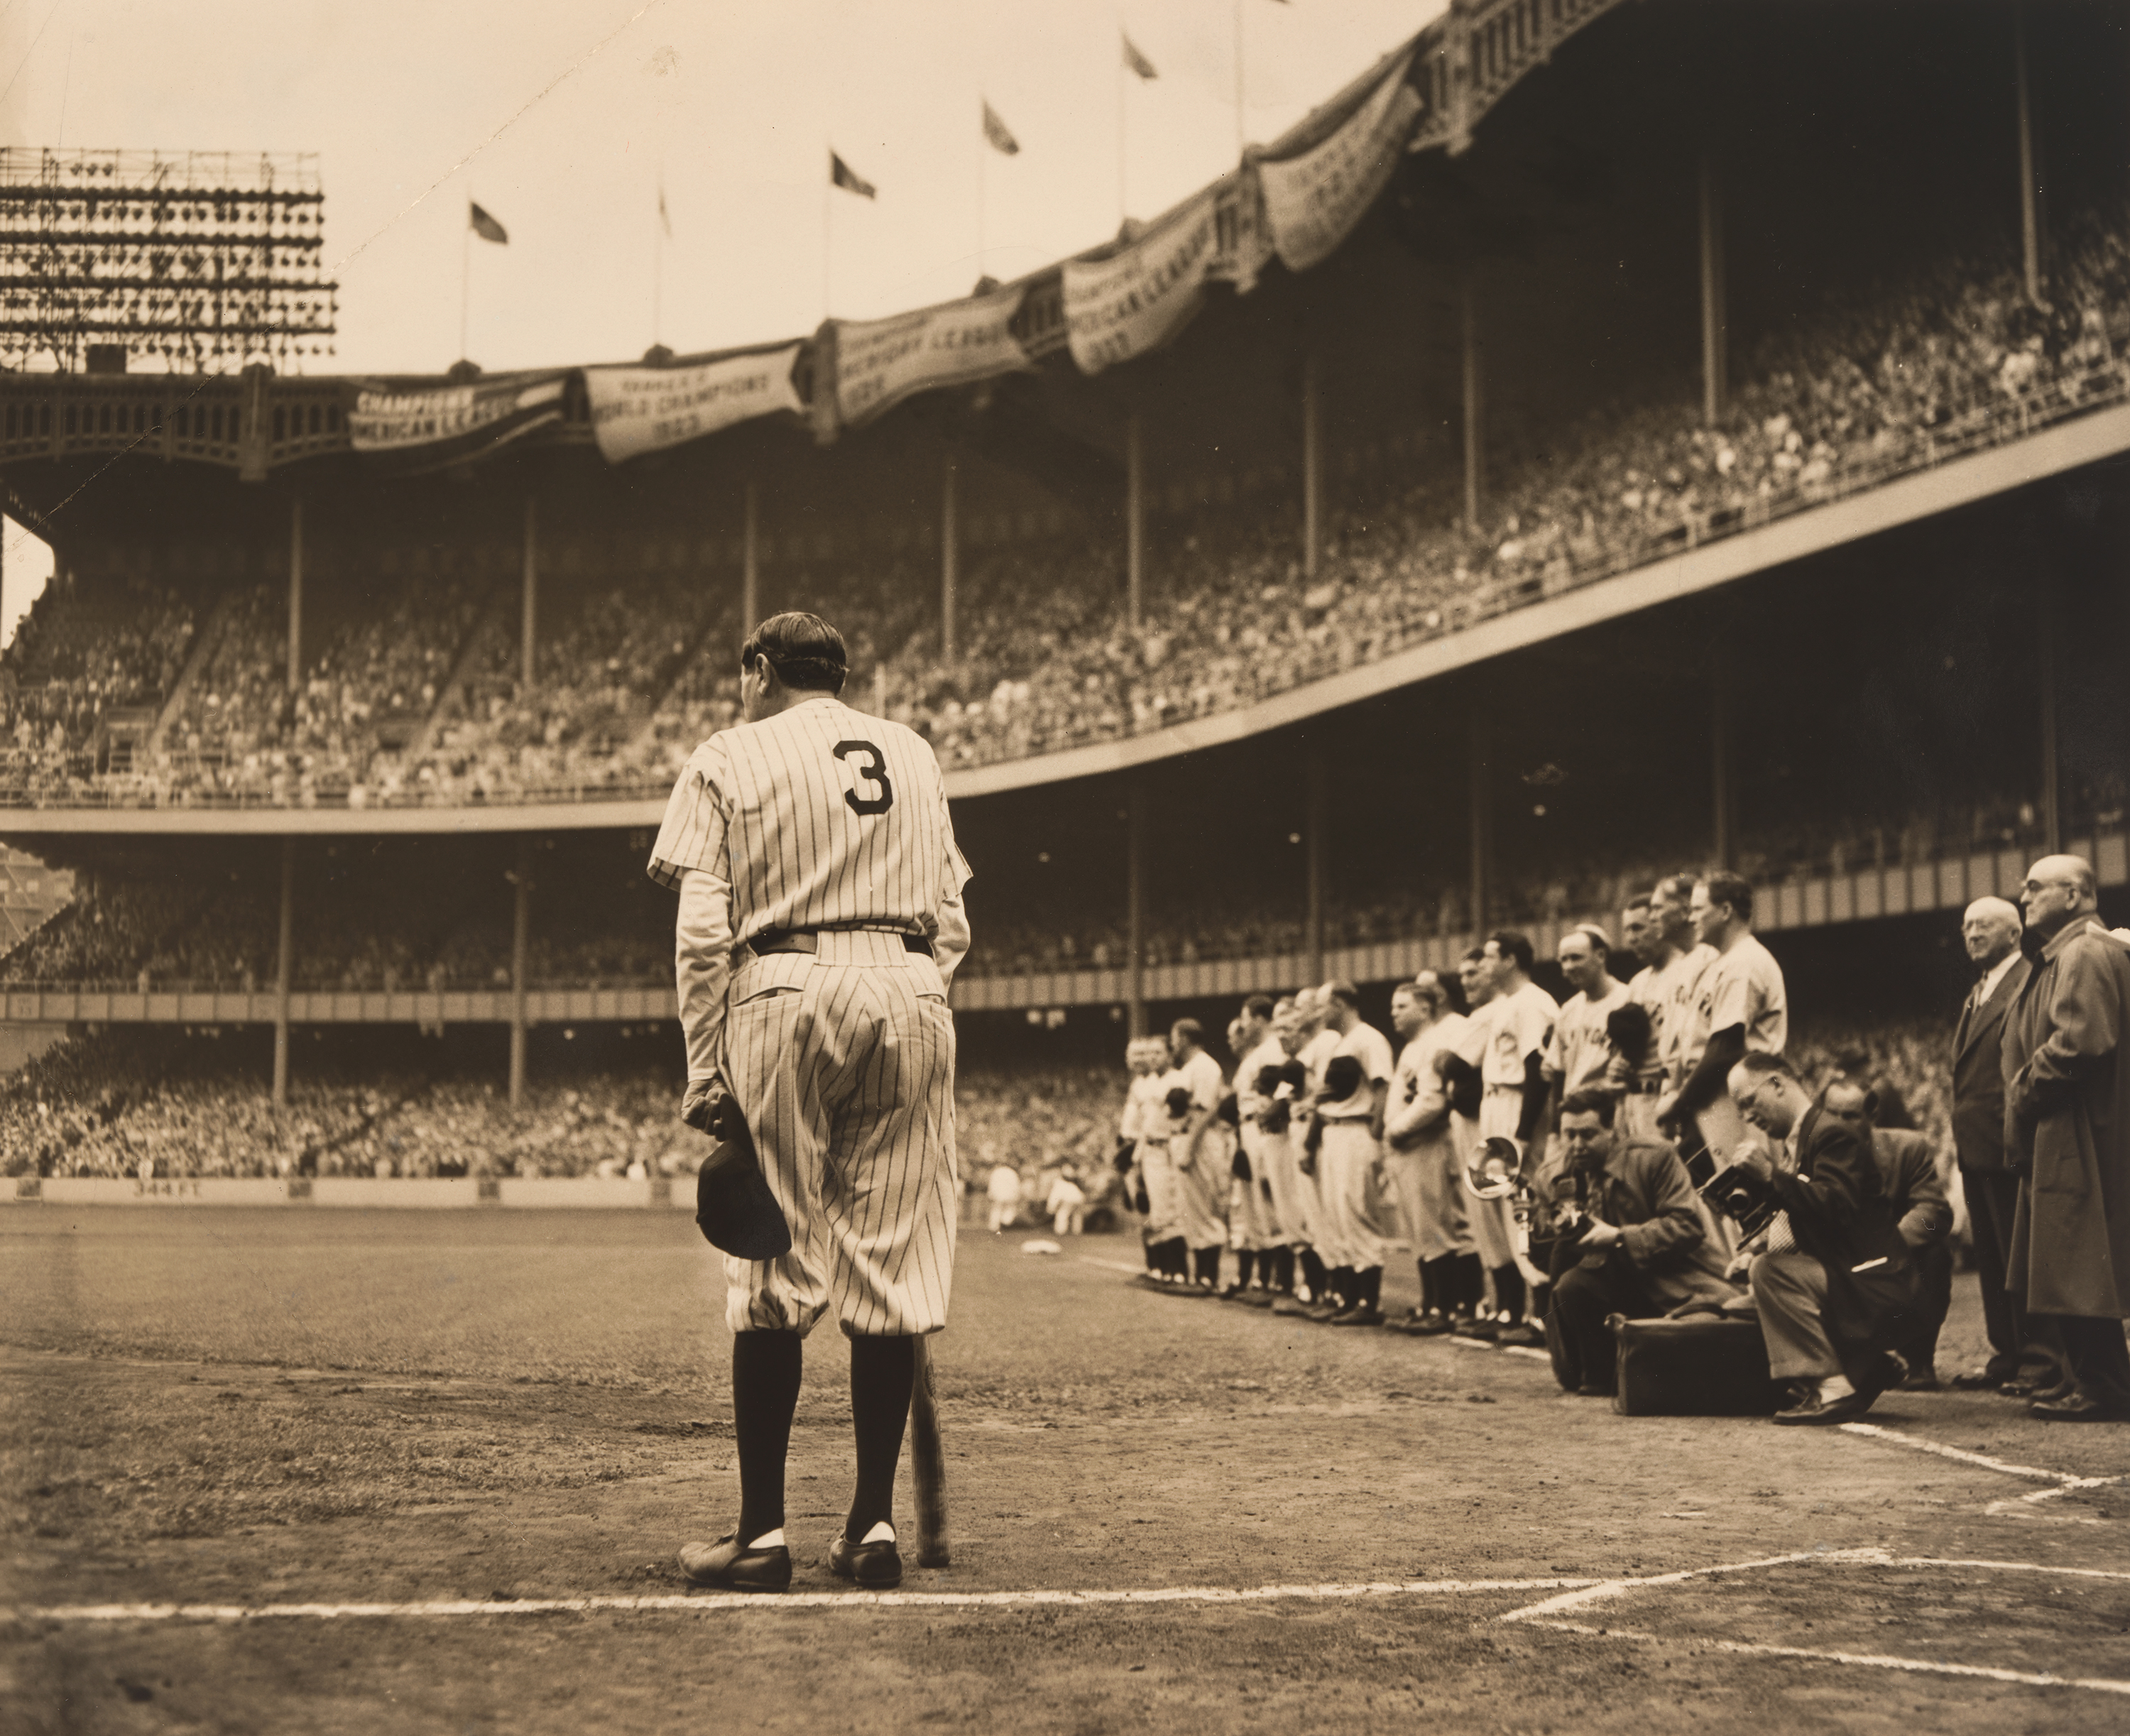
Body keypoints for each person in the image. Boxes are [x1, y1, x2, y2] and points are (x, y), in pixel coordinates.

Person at [653, 611, 971, 1594]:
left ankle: (762, 1538)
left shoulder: (727, 753)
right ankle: (872, 1528)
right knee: (893, 1268)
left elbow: (705, 931)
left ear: (759, 669)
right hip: (913, 986)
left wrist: (710, 1071)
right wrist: (908, 988)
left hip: (783, 984)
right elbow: (953, 919)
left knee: (772, 1271)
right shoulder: (913, 752)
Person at [2002, 854, 2130, 1421]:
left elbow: (2080, 1044)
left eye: (2036, 886)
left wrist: (2023, 1087)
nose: (2023, 894)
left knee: (2077, 1256)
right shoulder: (2077, 951)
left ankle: (2102, 1384)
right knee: (2073, 1255)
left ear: (2076, 894)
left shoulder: (2082, 950)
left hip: (2075, 1123)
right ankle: (2094, 1376)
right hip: (2077, 1121)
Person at [1729, 1052, 1921, 1426]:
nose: (1747, 1116)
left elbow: (1837, 1207)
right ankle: (1868, 1364)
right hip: (1853, 1274)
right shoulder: (1804, 1137)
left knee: (1771, 1274)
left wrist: (1771, 1177)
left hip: (1873, 1282)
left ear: (1777, 1084)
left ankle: (1834, 1387)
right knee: (1748, 1294)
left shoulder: (1830, 1132)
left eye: (1748, 1102)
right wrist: (1754, 1246)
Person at [1542, 1091, 1738, 1397]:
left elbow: (1687, 1226)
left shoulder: (1654, 1156)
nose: (1577, 1146)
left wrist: (1620, 1237)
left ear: (1613, 1129)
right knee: (1572, 1291)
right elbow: (1550, 1250)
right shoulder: (1557, 1173)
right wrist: (1535, 1227)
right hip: (1612, 1279)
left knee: (1716, 1329)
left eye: (1588, 1135)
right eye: (1570, 1135)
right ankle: (1603, 1376)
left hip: (1672, 1278)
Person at [1946, 897, 2059, 1394]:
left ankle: (2039, 1357)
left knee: (2020, 1256)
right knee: (1992, 1257)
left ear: (2014, 934)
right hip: (1977, 1143)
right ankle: (2008, 1352)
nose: (1971, 933)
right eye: (1967, 925)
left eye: (1984, 925)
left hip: (2007, 1139)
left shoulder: (2028, 982)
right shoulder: (1980, 989)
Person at [1445, 932, 1556, 1348]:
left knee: (1527, 1210)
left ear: (1511, 960)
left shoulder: (1533, 1002)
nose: (1484, 966)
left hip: (1515, 1105)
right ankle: (1513, 1309)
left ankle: (1543, 1316)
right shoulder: (1506, 1005)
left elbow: (1536, 1069)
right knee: (1500, 1212)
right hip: (1496, 1102)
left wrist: (1523, 1134)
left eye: (1491, 959)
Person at [1821, 1081, 1952, 1390]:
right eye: (1833, 1115)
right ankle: (1855, 1359)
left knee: (1935, 1255)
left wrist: (1888, 1246)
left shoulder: (1908, 1148)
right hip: (1843, 1266)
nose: (1841, 1125)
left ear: (1872, 1116)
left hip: (1894, 1260)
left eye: (1851, 1116)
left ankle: (1920, 1360)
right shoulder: (1812, 1153)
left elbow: (1934, 1210)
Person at [1664, 871, 1787, 1170]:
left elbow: (1726, 1048)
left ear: (1726, 911)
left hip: (1743, 1099)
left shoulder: (1744, 962)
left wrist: (1680, 1103)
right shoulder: (1723, 962)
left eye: (1697, 909)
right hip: (1718, 1096)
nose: (1691, 918)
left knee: (1749, 1197)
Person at [1382, 971, 1480, 1336]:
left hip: (1427, 1142)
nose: (1395, 1013)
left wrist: (1397, 1129)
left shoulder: (1436, 1039)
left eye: (1402, 1006)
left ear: (1426, 1007)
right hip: (1410, 1146)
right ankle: (1433, 1304)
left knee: (1439, 1229)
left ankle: (1449, 1307)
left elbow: (1432, 1100)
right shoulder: (1414, 1046)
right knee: (1422, 1232)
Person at [1309, 979, 1397, 1326]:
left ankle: (1368, 1302)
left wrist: (1375, 1134)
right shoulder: (1342, 1042)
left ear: (1340, 1004)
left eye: (1323, 1005)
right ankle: (1349, 1297)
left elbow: (1382, 1086)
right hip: (1334, 1132)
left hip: (1357, 1130)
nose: (1319, 1013)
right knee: (1338, 1215)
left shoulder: (1368, 1038)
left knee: (1357, 1212)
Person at [1164, 1018, 1234, 1295]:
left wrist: (1190, 1148)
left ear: (1183, 1038)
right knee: (1191, 1209)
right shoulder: (1189, 1068)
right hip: (1187, 1136)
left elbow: (1206, 1111)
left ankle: (1209, 1276)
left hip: (1202, 1142)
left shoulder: (1205, 1066)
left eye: (1174, 1037)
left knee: (1203, 1207)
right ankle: (1201, 1275)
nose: (1172, 1043)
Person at [1229, 996, 1289, 1304]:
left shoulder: (1275, 1049)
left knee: (1271, 1205)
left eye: (1246, 1018)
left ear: (1260, 1019)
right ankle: (1264, 1281)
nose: (1243, 1025)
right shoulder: (1254, 1055)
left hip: (1266, 1127)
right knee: (1255, 1208)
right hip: (1248, 1128)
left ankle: (1281, 1283)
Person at [987, 1160, 1023, 1234]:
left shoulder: (996, 1172)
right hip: (1009, 1195)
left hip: (998, 1195)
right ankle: (1006, 1223)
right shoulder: (1013, 1172)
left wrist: (991, 1194)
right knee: (1009, 1209)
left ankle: (994, 1226)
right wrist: (1016, 1196)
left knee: (996, 1209)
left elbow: (992, 1185)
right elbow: (1016, 1186)